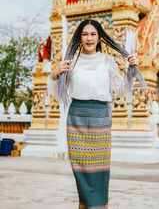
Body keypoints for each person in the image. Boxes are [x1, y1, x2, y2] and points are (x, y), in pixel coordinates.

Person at [50, 19, 144, 209]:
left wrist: (131, 70)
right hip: (76, 119)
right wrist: (54, 74)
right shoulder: (71, 63)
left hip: (100, 119)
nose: (89, 38)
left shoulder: (107, 61)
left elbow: (122, 90)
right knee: (81, 173)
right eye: (85, 34)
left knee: (99, 173)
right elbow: (56, 94)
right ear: (79, 37)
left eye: (93, 34)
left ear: (99, 37)